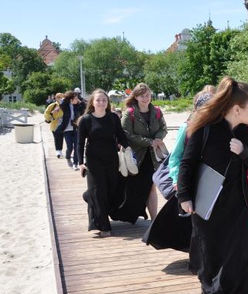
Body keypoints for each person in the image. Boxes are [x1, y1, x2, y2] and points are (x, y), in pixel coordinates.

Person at [177, 77, 248, 294]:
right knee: (209, 258)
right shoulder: (205, 128)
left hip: (239, 209)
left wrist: (244, 151)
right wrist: (184, 196)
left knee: (239, 265)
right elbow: (187, 164)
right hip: (207, 208)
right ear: (236, 108)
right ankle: (207, 289)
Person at [143, 85, 216, 273]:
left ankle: (205, 259)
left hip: (210, 181)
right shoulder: (188, 126)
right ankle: (198, 262)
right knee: (195, 223)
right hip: (190, 181)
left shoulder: (219, 127)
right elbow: (176, 157)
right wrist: (177, 180)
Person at [77, 89, 130, 238]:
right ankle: (103, 226)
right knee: (98, 191)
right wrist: (80, 162)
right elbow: (80, 143)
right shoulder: (86, 120)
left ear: (107, 103)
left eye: (104, 100)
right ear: (92, 102)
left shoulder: (113, 118)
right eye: (98, 100)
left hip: (111, 159)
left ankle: (89, 196)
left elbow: (121, 136)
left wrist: (128, 150)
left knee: (111, 190)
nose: (101, 103)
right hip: (93, 160)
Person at [119, 83, 168, 222]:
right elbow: (126, 134)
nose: (146, 98)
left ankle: (154, 220)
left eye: (147, 95)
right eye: (142, 96)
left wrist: (158, 138)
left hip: (154, 156)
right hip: (136, 158)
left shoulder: (157, 111)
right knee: (132, 188)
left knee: (152, 186)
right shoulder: (130, 113)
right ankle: (127, 213)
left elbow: (163, 128)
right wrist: (148, 141)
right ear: (136, 97)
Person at [54, 90, 85, 170]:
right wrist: (67, 98)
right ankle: (68, 156)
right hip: (67, 129)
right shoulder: (65, 106)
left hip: (76, 129)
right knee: (70, 147)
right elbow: (62, 103)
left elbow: (84, 108)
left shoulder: (78, 106)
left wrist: (80, 102)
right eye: (75, 98)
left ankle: (75, 163)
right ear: (71, 99)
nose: (77, 99)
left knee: (76, 147)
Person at [44, 93, 65, 158]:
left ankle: (60, 150)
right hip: (54, 124)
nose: (61, 99)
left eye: (62, 97)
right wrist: (52, 114)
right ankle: (57, 151)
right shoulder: (52, 105)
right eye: (59, 98)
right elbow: (46, 114)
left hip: (63, 124)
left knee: (61, 137)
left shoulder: (65, 105)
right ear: (56, 98)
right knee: (56, 137)